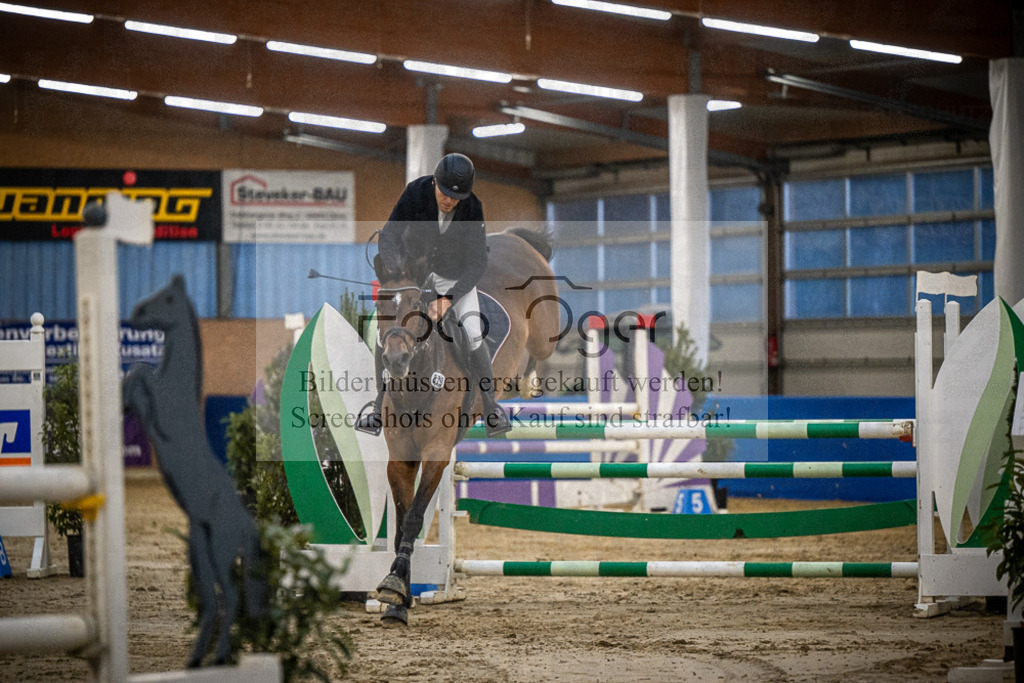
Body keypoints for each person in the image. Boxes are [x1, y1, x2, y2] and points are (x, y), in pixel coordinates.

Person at [356, 153, 512, 437]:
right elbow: (389, 235)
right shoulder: (415, 192)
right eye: (444, 193)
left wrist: (449, 299)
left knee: (473, 333)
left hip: (454, 280)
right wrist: (396, 272)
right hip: (414, 277)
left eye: (456, 197)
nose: (449, 201)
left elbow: (477, 263)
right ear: (434, 182)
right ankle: (378, 408)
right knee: (384, 332)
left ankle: (491, 408)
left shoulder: (472, 208)